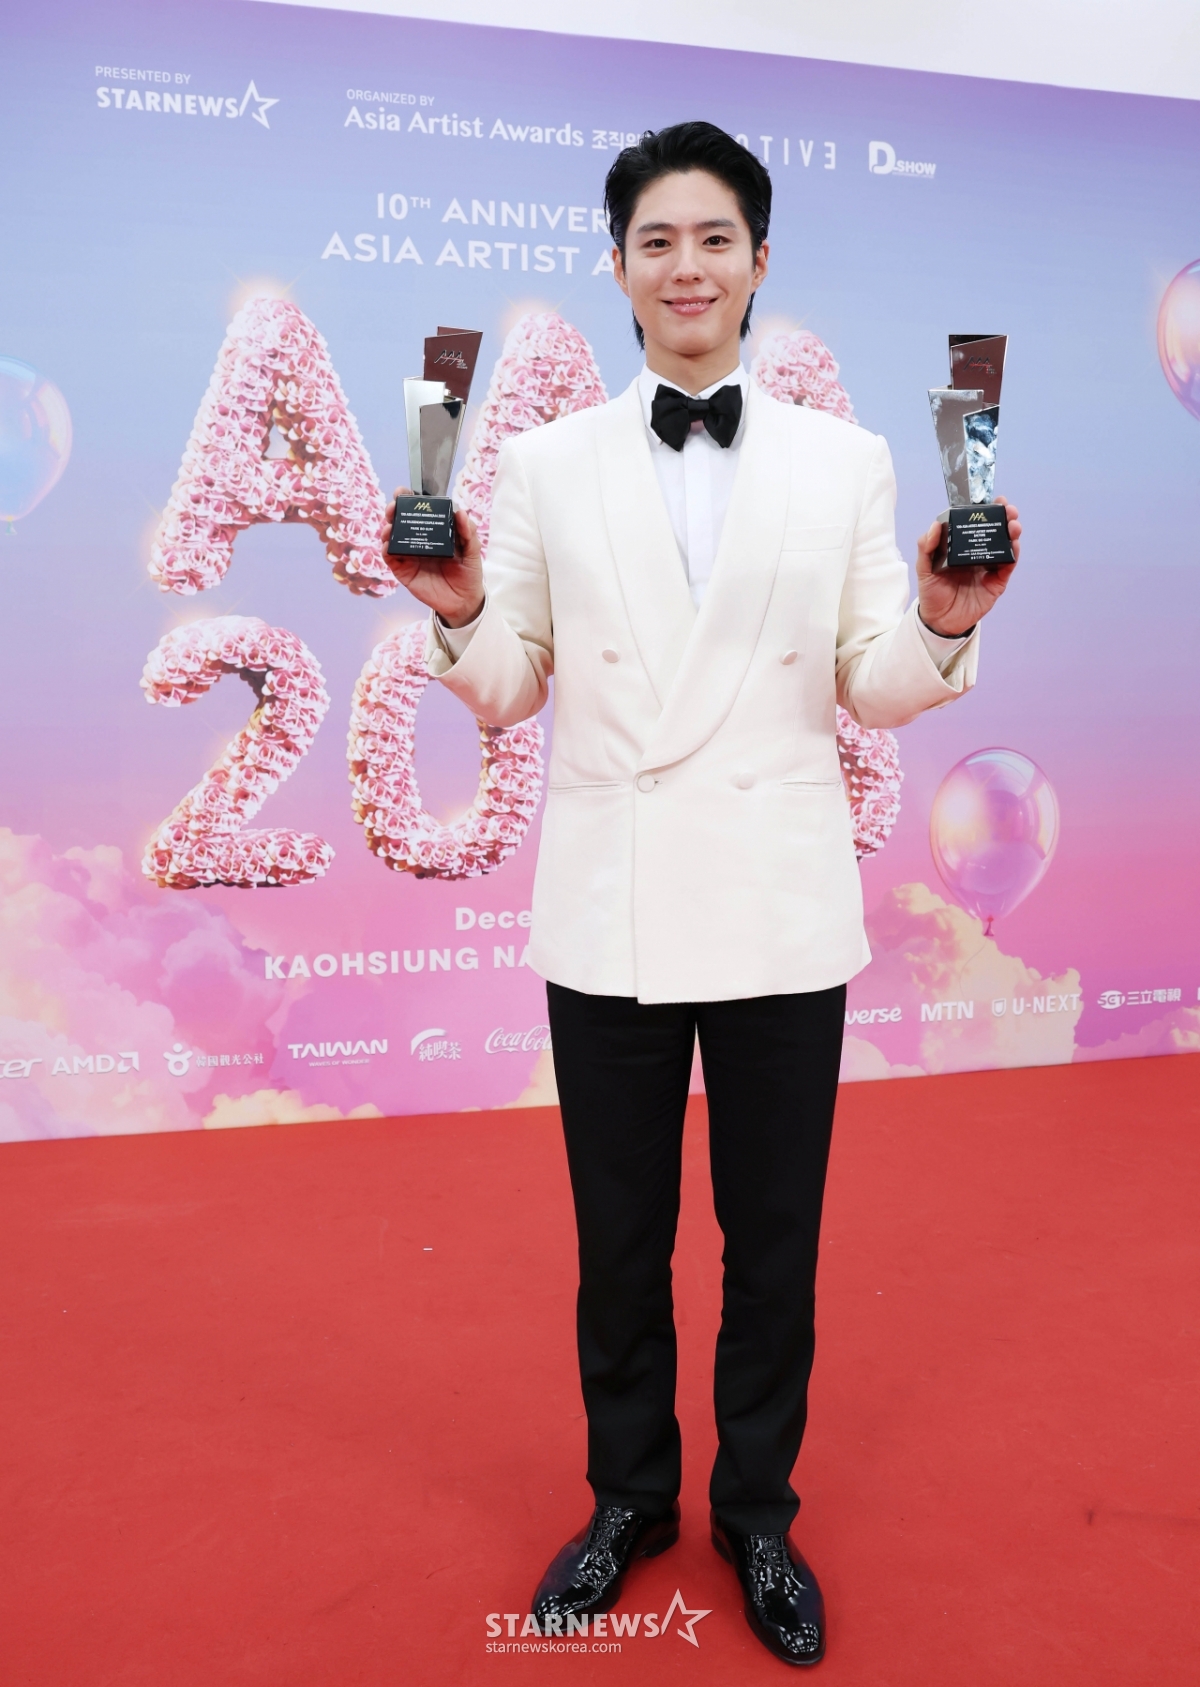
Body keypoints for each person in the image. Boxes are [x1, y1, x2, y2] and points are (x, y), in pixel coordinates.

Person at [385, 120, 1019, 1667]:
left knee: (772, 1244)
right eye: (657, 241)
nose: (687, 266)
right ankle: (627, 1501)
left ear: (758, 261)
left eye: (714, 239)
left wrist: (944, 621)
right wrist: (457, 608)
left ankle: (757, 1514)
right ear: (618, 267)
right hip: (611, 906)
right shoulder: (544, 463)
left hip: (779, 908)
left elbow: (871, 683)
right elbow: (514, 684)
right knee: (619, 1244)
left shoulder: (846, 462)